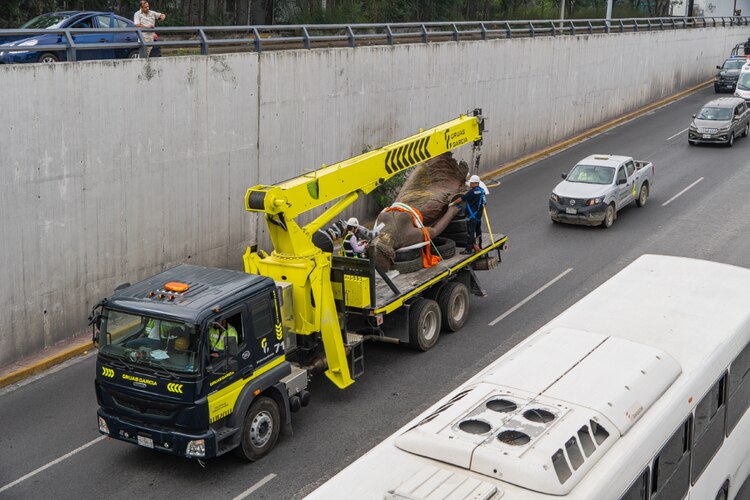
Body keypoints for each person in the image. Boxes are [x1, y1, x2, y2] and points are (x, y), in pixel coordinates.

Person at [453, 175, 486, 255]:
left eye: (471, 183)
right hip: (478, 216)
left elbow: (462, 198)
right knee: (478, 231)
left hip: (472, 216)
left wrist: (452, 203)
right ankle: (479, 245)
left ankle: (468, 250)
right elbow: (484, 202)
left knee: (470, 233)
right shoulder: (481, 191)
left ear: (475, 183)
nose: (470, 184)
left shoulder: (472, 192)